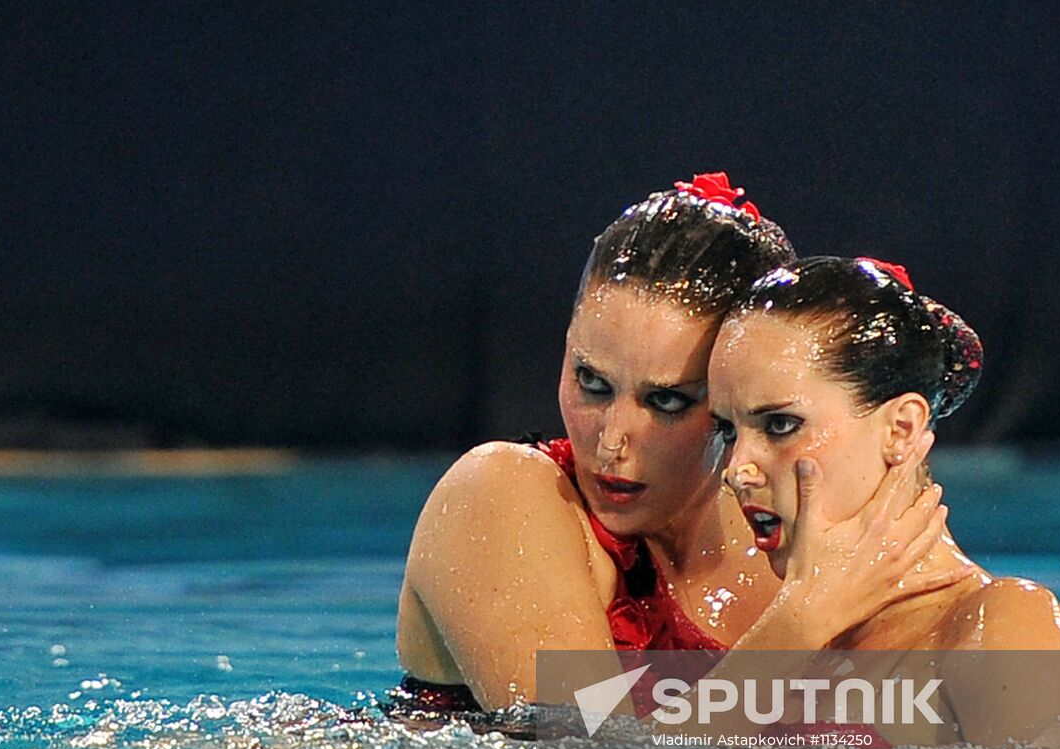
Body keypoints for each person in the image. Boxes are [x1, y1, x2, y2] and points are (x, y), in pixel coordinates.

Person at [393, 176, 968, 714]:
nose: (612, 441)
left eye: (666, 401)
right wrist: (799, 626)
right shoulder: (500, 497)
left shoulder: (802, 538)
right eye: (591, 382)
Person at [707, 255, 1060, 747]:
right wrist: (795, 624)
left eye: (780, 425)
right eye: (728, 431)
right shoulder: (789, 624)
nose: (737, 469)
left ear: (901, 429)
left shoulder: (1001, 624)